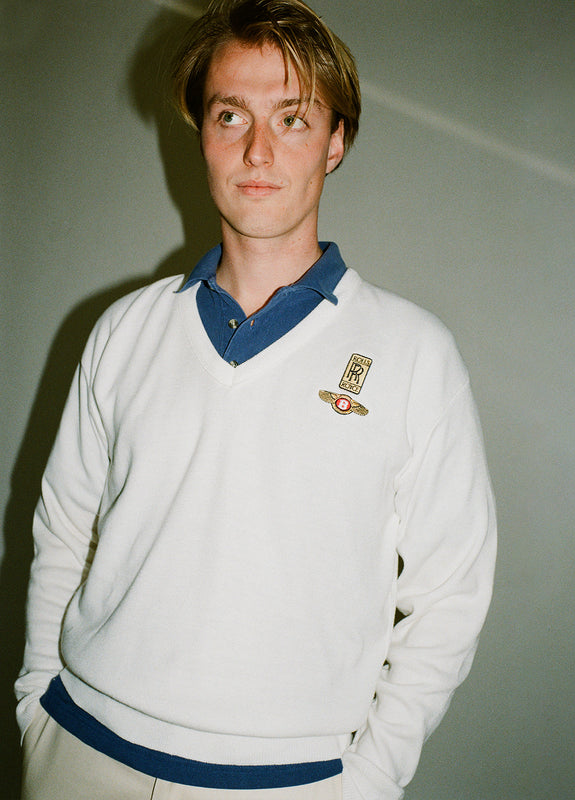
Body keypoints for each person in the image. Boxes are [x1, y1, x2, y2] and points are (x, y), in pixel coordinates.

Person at [14, 1, 496, 798]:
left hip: (284, 782)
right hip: (79, 751)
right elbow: (62, 531)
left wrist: (367, 781)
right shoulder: (124, 329)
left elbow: (451, 596)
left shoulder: (415, 355)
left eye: (293, 118)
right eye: (230, 115)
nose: (257, 149)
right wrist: (38, 701)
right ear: (202, 133)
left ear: (336, 142)